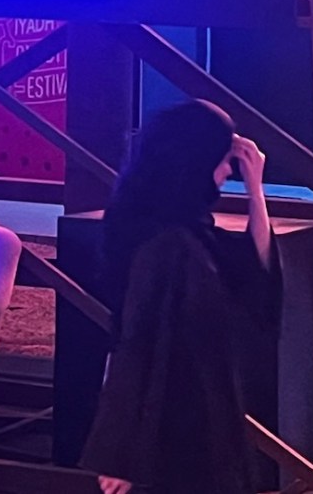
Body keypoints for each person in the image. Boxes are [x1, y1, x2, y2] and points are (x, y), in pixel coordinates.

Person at [82, 101, 278, 494]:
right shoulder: (168, 245)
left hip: (201, 403)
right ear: (197, 161)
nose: (227, 172)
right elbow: (137, 343)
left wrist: (255, 190)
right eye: (223, 161)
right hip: (175, 415)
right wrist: (121, 455)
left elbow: (254, 269)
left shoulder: (186, 228)